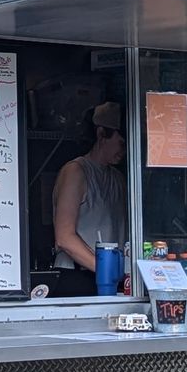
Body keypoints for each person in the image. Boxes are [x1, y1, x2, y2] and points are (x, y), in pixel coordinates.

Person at [51, 100, 128, 296]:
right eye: (121, 142)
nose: (124, 150)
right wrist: (107, 271)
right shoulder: (76, 171)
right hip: (77, 276)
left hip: (114, 277)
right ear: (101, 134)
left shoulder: (119, 178)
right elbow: (64, 238)